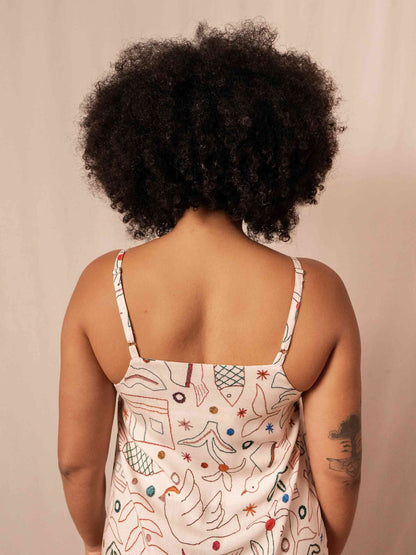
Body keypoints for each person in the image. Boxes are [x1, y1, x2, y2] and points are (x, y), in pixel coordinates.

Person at [58, 19, 361, 555]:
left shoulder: (103, 286)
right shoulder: (317, 293)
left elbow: (75, 464)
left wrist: (93, 543)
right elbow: (341, 469)